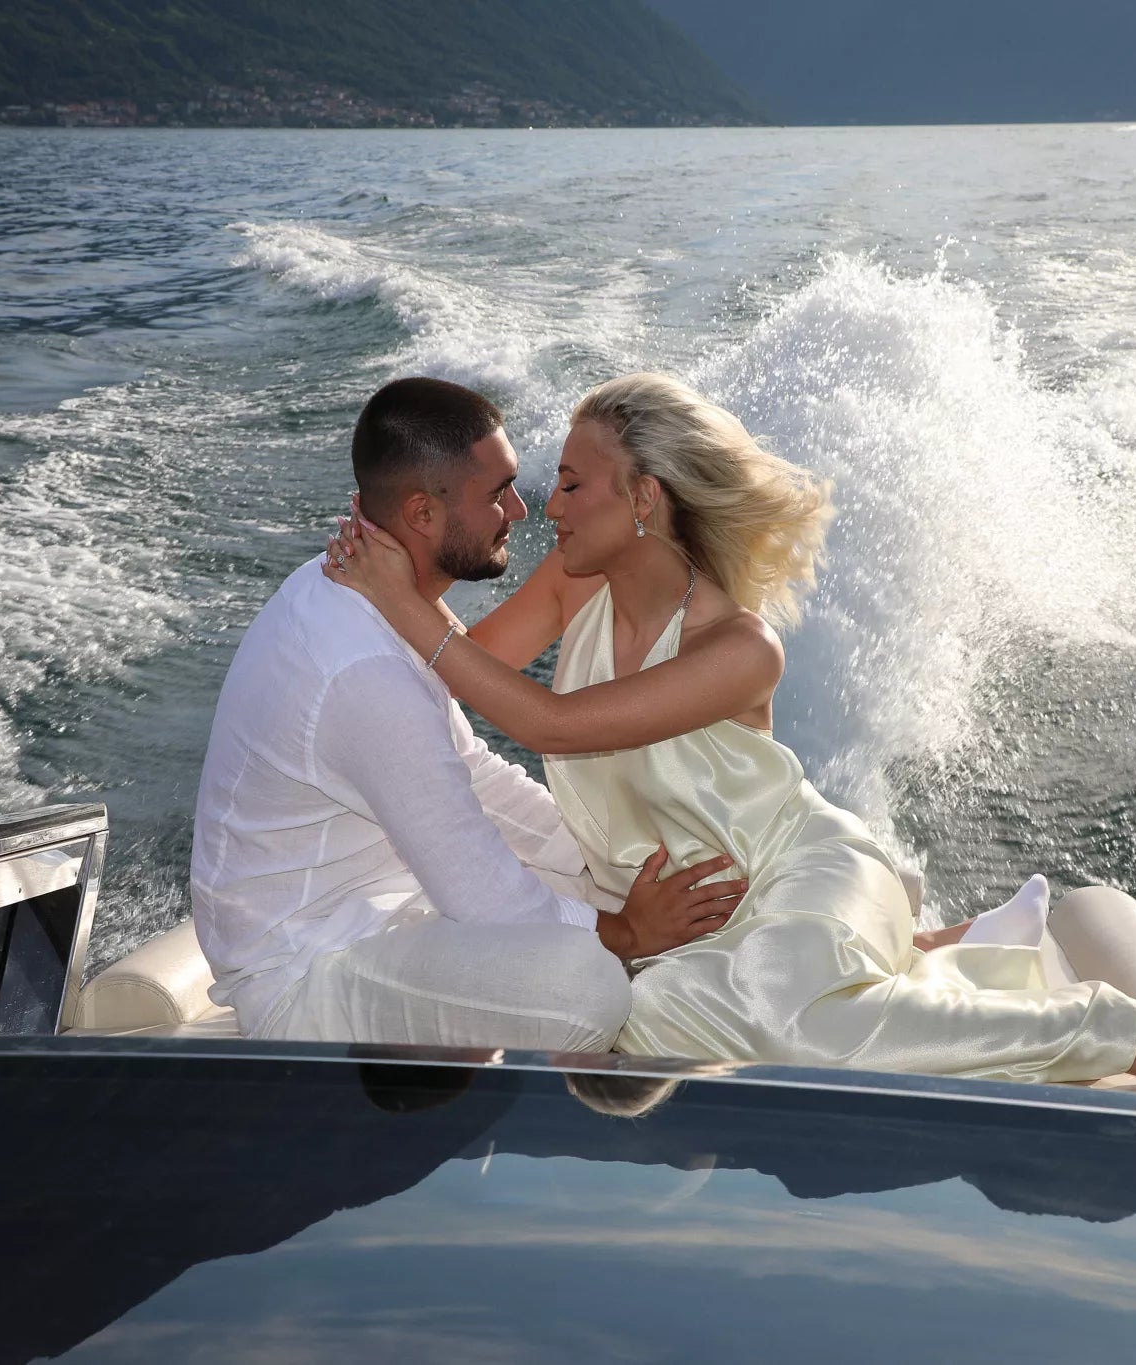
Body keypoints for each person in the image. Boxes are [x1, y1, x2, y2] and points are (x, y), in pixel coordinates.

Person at [324, 372, 1136, 1096]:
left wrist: (400, 601)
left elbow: (543, 719)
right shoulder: (571, 581)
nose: (543, 506)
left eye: (568, 481)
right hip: (677, 916)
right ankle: (934, 956)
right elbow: (457, 672)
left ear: (643, 497)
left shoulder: (739, 647)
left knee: (790, 1022)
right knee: (616, 1016)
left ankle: (1104, 1024)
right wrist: (396, 572)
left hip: (798, 874)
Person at [190, 377, 745, 1052]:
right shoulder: (361, 666)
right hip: (305, 967)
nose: (520, 507)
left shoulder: (377, 600)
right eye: (497, 493)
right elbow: (485, 898)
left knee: (620, 866)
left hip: (386, 906)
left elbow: (473, 774)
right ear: (422, 513)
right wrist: (626, 929)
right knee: (588, 985)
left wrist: (610, 862)